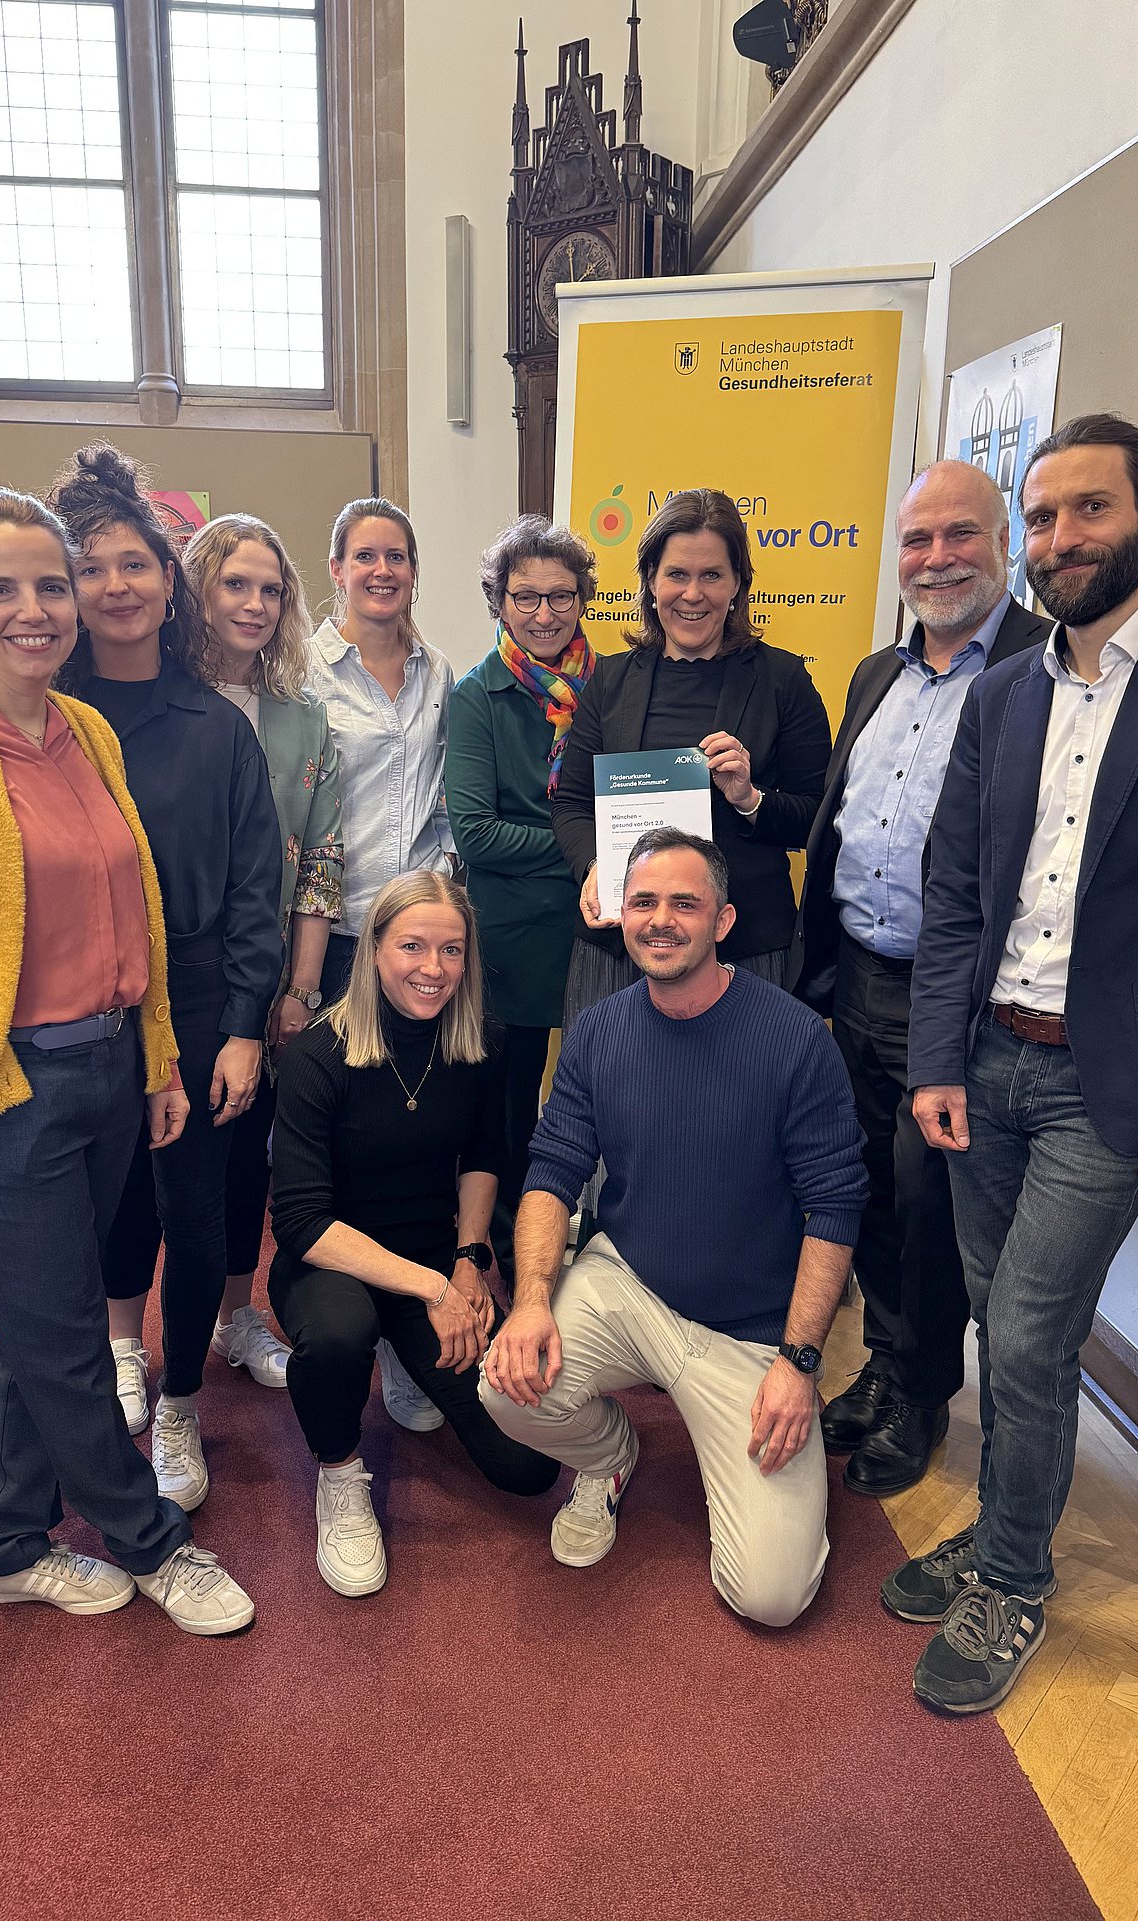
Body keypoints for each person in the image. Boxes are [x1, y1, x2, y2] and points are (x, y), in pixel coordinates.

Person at [896, 414, 1138, 1714]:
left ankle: (1010, 1574)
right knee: (1011, 1335)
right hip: (986, 1066)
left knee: (1022, 1333)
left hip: (1102, 1089)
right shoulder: (1007, 687)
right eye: (1046, 515)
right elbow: (955, 890)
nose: (1063, 539)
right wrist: (938, 1057)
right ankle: (1011, 1527)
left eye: (1091, 511)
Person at [0, 486, 254, 1632]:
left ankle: (11, 1542)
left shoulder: (89, 734)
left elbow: (142, 924)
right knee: (68, 1343)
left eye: (49, 585)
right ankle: (151, 1541)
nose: (33, 610)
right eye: (1, 588)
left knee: (40, 1332)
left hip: (112, 1073)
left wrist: (161, 1062)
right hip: (1, 1093)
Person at [480, 829, 868, 1626]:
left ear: (723, 920)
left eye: (685, 903)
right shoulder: (598, 1030)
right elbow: (553, 1169)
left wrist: (800, 1362)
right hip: (629, 1285)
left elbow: (835, 1205)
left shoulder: (793, 1041)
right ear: (622, 913)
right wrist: (529, 1300)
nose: (662, 920)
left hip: (750, 1335)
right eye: (645, 901)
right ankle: (612, 1453)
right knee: (505, 1387)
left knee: (771, 1596)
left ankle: (730, 1435)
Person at [794, 462, 1049, 1497]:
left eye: (960, 535)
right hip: (857, 977)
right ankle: (887, 1370)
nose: (936, 558)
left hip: (961, 996)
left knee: (928, 1197)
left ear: (1005, 545)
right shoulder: (876, 673)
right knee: (869, 1192)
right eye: (916, 541)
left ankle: (924, 1396)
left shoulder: (1045, 669)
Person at [49, 444, 283, 1513]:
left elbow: (250, 894)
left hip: (193, 1003)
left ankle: (180, 1398)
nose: (115, 586)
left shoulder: (217, 728)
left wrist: (240, 1028)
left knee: (195, 1219)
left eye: (136, 564)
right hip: (75, 1006)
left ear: (167, 581)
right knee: (97, 1217)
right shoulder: (43, 722)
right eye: (90, 568)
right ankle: (109, 1365)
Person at [267, 872, 559, 1596]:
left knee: (529, 1468)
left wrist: (467, 1262)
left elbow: (485, 1157)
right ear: (373, 950)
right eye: (413, 946)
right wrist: (435, 1286)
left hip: (431, 1255)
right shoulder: (314, 1055)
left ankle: (404, 1351)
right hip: (330, 1260)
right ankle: (338, 1475)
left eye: (451, 950)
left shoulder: (478, 1041)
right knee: (340, 1331)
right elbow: (300, 1221)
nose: (434, 968)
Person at [551, 488, 831, 1028]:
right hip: (620, 949)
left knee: (742, 1107)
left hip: (744, 948)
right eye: (677, 574)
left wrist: (751, 800)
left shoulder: (783, 681)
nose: (693, 594)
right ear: (651, 580)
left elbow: (817, 818)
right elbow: (571, 805)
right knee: (615, 1100)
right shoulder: (609, 682)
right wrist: (595, 866)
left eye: (712, 576)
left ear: (738, 585)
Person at [182, 513, 345, 1387]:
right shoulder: (153, 698)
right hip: (164, 974)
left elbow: (320, 860)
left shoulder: (300, 716)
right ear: (195, 591)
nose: (253, 603)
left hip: (265, 977)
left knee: (248, 1155)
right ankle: (128, 1339)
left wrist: (301, 989)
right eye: (233, 583)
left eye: (271, 588)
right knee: (149, 1163)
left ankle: (234, 1315)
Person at [308, 495, 455, 1431]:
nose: (382, 571)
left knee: (420, 1124)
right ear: (337, 569)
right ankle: (344, 1311)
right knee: (345, 1130)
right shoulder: (305, 676)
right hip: (340, 933)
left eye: (396, 555)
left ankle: (409, 1332)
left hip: (425, 939)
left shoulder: (441, 672)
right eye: (364, 556)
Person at [445, 514, 597, 1287]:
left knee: (605, 1092)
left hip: (603, 929)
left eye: (561, 596)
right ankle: (509, 1257)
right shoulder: (478, 696)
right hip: (511, 938)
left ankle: (600, 1247)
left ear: (583, 599)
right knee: (508, 1110)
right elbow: (476, 835)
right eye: (525, 596)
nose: (544, 614)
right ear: (498, 600)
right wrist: (583, 849)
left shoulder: (612, 684)